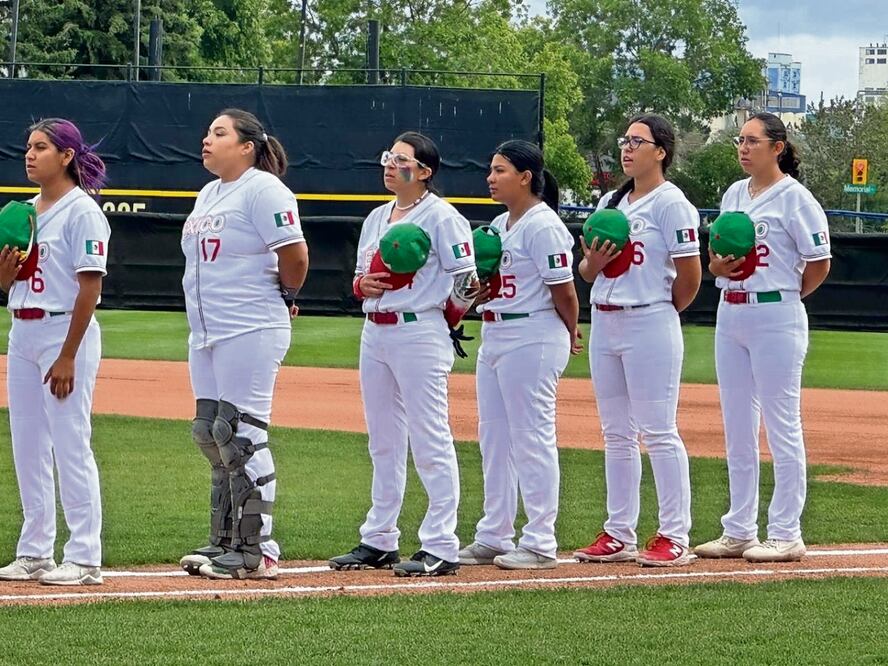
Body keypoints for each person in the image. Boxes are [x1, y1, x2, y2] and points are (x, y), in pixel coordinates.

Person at [329, 131, 477, 577]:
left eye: (401, 159)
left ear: (425, 171)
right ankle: (379, 539)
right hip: (376, 331)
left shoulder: (443, 217)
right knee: (383, 441)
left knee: (430, 438)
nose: (390, 165)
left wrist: (449, 320)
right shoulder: (377, 216)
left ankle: (441, 544)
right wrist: (361, 287)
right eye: (388, 157)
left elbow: (467, 281)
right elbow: (358, 277)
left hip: (419, 330)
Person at [177, 108, 309, 580]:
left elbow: (294, 255)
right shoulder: (209, 193)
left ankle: (258, 550)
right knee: (210, 434)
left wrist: (286, 296)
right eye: (208, 131)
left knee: (243, 436)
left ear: (247, 146)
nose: (207, 139)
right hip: (208, 331)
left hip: (250, 327)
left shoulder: (264, 189)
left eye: (219, 133)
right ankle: (225, 541)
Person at [695, 112, 830, 563]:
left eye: (753, 140)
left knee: (781, 424)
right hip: (731, 311)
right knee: (737, 425)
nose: (743, 147)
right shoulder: (735, 193)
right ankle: (739, 529)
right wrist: (715, 270)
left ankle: (787, 531)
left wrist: (787, 294)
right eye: (740, 139)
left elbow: (819, 262)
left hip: (776, 314)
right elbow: (719, 255)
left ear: (778, 147)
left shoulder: (797, 198)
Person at [573, 113, 702, 567]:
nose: (626, 148)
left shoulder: (672, 203)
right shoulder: (613, 201)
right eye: (624, 140)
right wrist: (591, 262)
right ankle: (618, 533)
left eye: (637, 141)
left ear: (660, 152)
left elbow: (690, 275)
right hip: (606, 320)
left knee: (659, 430)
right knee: (616, 434)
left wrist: (662, 310)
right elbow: (587, 272)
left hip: (650, 320)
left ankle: (674, 534)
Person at [457, 140, 580, 571]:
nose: (491, 178)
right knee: (494, 439)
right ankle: (494, 534)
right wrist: (480, 292)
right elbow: (487, 284)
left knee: (532, 436)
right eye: (491, 170)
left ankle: (541, 541)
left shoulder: (543, 225)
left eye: (500, 170)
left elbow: (563, 289)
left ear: (526, 177)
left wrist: (571, 328)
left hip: (534, 331)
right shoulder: (500, 224)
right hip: (496, 330)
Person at [0, 118, 110, 585]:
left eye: (41, 147)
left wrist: (68, 354)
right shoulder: (22, 211)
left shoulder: (82, 211)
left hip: (64, 331)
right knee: (27, 446)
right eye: (28, 146)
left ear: (66, 156)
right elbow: (9, 285)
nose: (30, 154)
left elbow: (90, 288)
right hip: (22, 331)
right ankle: (35, 550)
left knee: (70, 442)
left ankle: (85, 557)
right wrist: (6, 274)